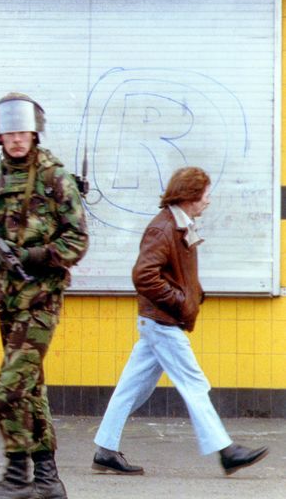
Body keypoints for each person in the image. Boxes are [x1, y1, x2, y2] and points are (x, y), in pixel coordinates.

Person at [92, 167, 269, 477]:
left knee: (132, 388)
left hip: (157, 323)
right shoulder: (164, 228)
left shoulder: (179, 224)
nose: (208, 201)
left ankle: (105, 450)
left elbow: (173, 273)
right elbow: (144, 276)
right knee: (194, 383)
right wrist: (179, 300)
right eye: (205, 195)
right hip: (162, 322)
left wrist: (192, 294)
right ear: (189, 197)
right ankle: (226, 451)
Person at [0, 93, 89, 499]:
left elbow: (77, 241)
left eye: (23, 130)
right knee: (31, 389)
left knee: (9, 387)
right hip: (7, 300)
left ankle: (18, 476)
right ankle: (48, 480)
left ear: (35, 132)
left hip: (41, 299)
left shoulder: (55, 179)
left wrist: (31, 255)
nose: (16, 139)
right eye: (9, 131)